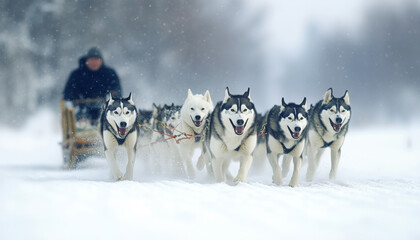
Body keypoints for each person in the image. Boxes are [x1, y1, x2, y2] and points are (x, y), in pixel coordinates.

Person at [63, 47, 122, 125]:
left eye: (96, 59)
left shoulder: (110, 73)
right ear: (87, 60)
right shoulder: (76, 74)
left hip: (104, 107)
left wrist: (111, 95)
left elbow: (117, 90)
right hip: (81, 108)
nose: (94, 62)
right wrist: (76, 98)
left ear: (101, 61)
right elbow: (68, 92)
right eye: (91, 60)